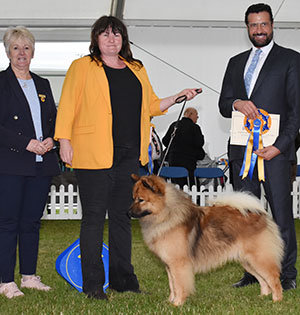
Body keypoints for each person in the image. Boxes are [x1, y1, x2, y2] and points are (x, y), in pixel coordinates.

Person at [54, 15, 201, 300]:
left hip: (129, 156)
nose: (112, 38)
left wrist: (178, 97)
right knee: (94, 219)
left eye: (117, 34)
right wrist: (64, 140)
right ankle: (93, 285)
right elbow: (68, 105)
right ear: (96, 39)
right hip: (92, 155)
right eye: (105, 34)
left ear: (124, 39)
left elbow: (151, 105)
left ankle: (124, 280)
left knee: (124, 219)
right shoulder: (81, 67)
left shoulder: (136, 68)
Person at [218, 3, 300, 291]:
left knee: (281, 214)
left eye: (263, 24)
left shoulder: (291, 60)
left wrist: (280, 146)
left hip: (276, 154)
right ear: (247, 28)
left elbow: (296, 112)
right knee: (246, 216)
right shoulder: (235, 62)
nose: (259, 30)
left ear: (272, 25)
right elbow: (223, 105)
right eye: (253, 25)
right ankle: (251, 272)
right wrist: (237, 102)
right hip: (242, 153)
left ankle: (287, 272)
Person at [0, 26, 60, 299]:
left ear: (33, 52)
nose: (21, 53)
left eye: (26, 48)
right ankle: (5, 281)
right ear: (7, 52)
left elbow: (54, 120)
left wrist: (52, 140)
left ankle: (29, 276)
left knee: (31, 223)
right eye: (16, 48)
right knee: (8, 223)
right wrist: (25, 142)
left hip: (41, 164)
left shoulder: (43, 84)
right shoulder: (1, 83)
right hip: (11, 164)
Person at [162, 107, 205, 187]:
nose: (197, 118)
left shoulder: (174, 125)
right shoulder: (195, 127)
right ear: (190, 114)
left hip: (173, 162)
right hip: (189, 163)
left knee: (176, 185)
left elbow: (165, 140)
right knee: (190, 186)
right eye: (197, 115)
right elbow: (200, 143)